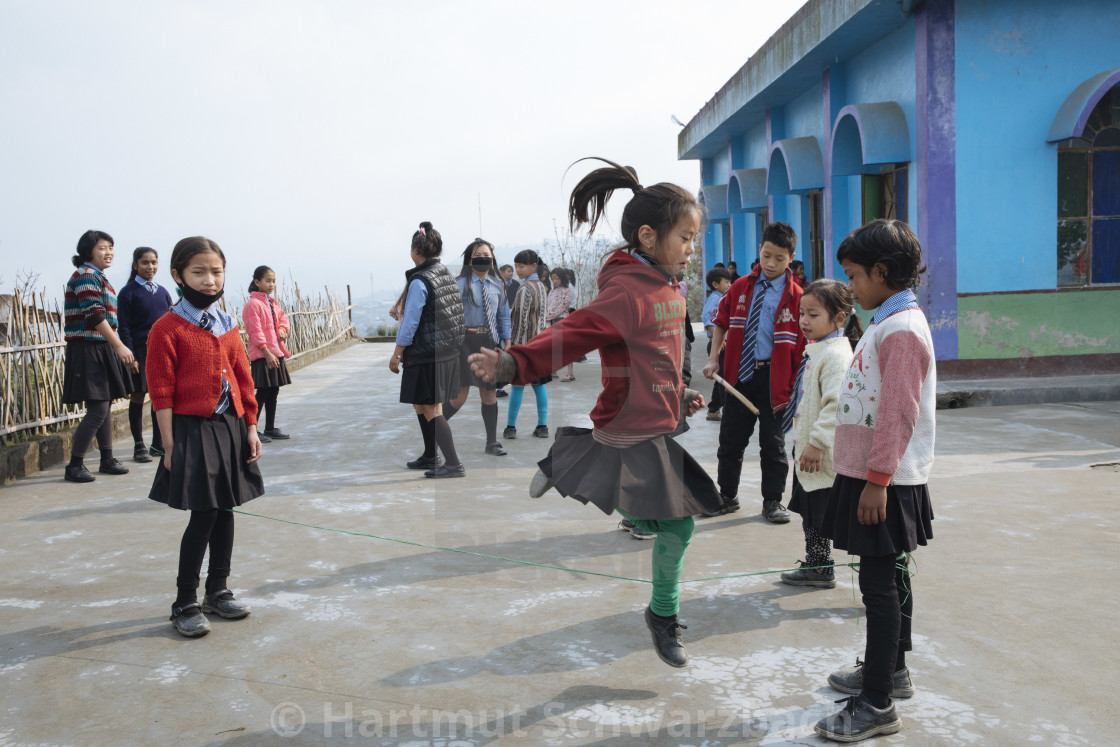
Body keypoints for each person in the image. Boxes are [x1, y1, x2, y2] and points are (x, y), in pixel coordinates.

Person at [469, 158, 722, 668]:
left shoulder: (668, 286)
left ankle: (563, 463)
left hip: (657, 420)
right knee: (676, 527)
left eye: (695, 239)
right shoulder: (628, 292)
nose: (692, 251)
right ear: (648, 237)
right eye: (685, 239)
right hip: (626, 420)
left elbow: (661, 356)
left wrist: (680, 397)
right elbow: (574, 331)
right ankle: (663, 615)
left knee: (653, 515)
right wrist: (515, 361)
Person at [813, 219, 936, 743]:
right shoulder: (887, 320)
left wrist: (879, 479)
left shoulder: (902, 329)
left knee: (879, 588)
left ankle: (879, 702)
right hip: (874, 475)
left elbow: (898, 412)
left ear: (881, 273)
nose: (852, 286)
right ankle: (891, 669)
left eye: (855, 276)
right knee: (888, 579)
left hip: (885, 480)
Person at [146, 236, 264, 638]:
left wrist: (250, 425)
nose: (210, 280)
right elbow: (160, 389)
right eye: (199, 272)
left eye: (216, 271)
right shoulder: (166, 328)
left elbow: (244, 380)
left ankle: (218, 590)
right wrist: (169, 442)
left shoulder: (228, 325)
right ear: (178, 275)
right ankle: (184, 601)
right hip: (190, 429)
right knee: (205, 512)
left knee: (227, 508)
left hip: (229, 426)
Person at [701, 222, 806, 523]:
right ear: (759, 250)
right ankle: (727, 495)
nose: (771, 264)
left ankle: (772, 500)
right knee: (730, 440)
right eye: (766, 255)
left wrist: (798, 384)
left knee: (773, 444)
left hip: (776, 381)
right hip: (738, 378)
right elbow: (720, 322)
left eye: (780, 258)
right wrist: (713, 359)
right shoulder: (739, 286)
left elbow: (802, 343)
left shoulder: (797, 295)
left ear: (791, 257)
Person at [780, 279, 862, 589]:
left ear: (839, 318)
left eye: (813, 315)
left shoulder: (837, 355)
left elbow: (837, 404)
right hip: (809, 454)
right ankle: (818, 564)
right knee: (812, 515)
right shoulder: (820, 348)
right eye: (802, 313)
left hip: (822, 456)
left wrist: (815, 443)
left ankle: (858, 568)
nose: (803, 321)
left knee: (828, 515)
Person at [390, 222, 467, 478]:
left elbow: (410, 321)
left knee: (432, 408)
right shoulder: (444, 273)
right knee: (421, 405)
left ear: (415, 250)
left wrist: (397, 352)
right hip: (445, 352)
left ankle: (453, 464)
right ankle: (430, 455)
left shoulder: (420, 279)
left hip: (427, 354)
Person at [61, 230, 137, 482]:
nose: (109, 252)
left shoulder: (99, 277)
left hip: (100, 346)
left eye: (111, 247)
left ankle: (106, 459)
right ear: (88, 251)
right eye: (102, 248)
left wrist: (115, 347)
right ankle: (74, 465)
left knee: (104, 407)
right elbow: (94, 315)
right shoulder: (85, 276)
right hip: (87, 347)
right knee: (97, 409)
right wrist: (119, 346)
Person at [444, 239, 512, 456]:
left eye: (487, 254)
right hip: (464, 343)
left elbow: (503, 316)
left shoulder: (498, 285)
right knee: (458, 397)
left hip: (490, 343)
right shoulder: (460, 283)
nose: (483, 257)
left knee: (489, 395)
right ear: (469, 259)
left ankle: (492, 443)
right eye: (478, 254)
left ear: (492, 259)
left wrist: (507, 342)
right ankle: (434, 430)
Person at [116, 246, 173, 463]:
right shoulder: (128, 293)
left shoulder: (162, 292)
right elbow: (125, 327)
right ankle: (138, 444)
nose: (150, 267)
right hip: (138, 351)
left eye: (154, 263)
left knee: (160, 396)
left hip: (161, 351)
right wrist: (130, 356)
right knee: (138, 395)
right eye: (145, 263)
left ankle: (157, 444)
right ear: (135, 265)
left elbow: (171, 322)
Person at [504, 250, 551, 440]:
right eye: (516, 266)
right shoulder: (541, 287)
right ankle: (542, 426)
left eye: (521, 266)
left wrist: (512, 346)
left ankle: (511, 427)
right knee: (539, 386)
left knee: (517, 386)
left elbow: (519, 322)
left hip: (524, 347)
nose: (518, 270)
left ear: (533, 266)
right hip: (540, 345)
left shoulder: (524, 289)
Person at [243, 266, 293, 443]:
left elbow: (283, 318)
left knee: (273, 391)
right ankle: (252, 430)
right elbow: (254, 331)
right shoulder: (252, 305)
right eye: (267, 281)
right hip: (263, 354)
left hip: (275, 351)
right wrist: (266, 351)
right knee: (262, 393)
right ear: (257, 282)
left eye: (273, 281)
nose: (272, 284)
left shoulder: (271, 303)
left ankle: (270, 428)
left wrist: (282, 328)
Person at [701, 267, 731, 422]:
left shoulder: (722, 297)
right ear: (715, 284)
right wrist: (721, 340)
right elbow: (708, 321)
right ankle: (728, 411)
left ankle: (713, 410)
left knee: (720, 377)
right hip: (717, 345)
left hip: (722, 344)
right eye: (726, 282)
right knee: (723, 380)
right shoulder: (715, 298)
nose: (729, 284)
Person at [547, 269, 576, 382]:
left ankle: (570, 373)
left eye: (556, 279)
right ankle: (554, 371)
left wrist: (548, 316)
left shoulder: (567, 290)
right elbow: (548, 305)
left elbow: (563, 306)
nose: (554, 281)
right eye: (552, 279)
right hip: (551, 320)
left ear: (562, 278)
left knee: (565, 347)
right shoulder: (552, 291)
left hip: (562, 320)